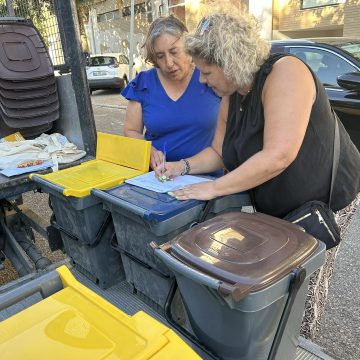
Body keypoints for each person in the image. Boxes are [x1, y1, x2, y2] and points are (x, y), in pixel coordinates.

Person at [159, 11, 360, 340]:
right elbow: (218, 151)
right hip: (277, 209)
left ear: (230, 60)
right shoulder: (232, 93)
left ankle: (296, 345)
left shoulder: (286, 72)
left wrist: (213, 188)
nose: (202, 80)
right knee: (270, 289)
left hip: (322, 202)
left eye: (207, 71)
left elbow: (278, 155)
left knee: (300, 291)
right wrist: (180, 167)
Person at [121, 15, 223, 174]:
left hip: (205, 177)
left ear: (188, 46)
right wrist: (147, 150)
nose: (169, 63)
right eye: (160, 56)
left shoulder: (209, 76)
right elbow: (131, 131)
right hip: (158, 177)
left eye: (174, 52)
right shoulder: (143, 83)